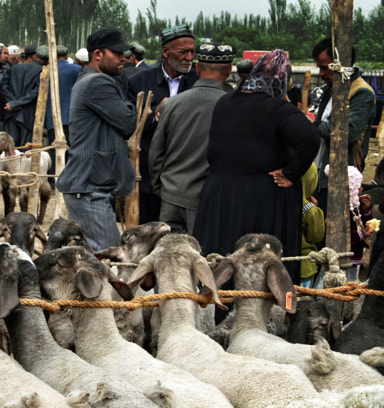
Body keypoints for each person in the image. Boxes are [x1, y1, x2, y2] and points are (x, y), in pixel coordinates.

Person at [193, 49, 319, 278]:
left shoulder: (225, 102)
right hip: (262, 200)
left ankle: (218, 308)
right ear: (282, 80)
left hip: (220, 193)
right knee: (257, 267)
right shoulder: (279, 110)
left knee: (222, 255)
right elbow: (310, 139)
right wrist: (291, 174)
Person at [55, 28, 136, 251]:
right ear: (98, 54)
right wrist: (131, 104)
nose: (123, 58)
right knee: (108, 255)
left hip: (90, 185)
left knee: (95, 257)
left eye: (124, 53)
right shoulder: (97, 83)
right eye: (117, 53)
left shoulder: (91, 79)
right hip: (89, 188)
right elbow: (128, 123)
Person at [148, 43, 235, 234]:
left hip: (171, 195)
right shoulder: (233, 107)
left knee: (171, 258)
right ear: (229, 71)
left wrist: (160, 189)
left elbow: (156, 153)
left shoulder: (172, 104)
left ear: (197, 68)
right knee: (203, 259)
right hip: (207, 201)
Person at [128, 23, 199, 223]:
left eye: (192, 52)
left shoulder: (198, 82)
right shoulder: (139, 82)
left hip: (187, 177)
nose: (189, 58)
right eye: (183, 52)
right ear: (166, 52)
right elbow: (128, 125)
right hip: (149, 177)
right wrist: (151, 115)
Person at [310, 38, 376, 207]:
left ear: (340, 65)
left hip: (339, 179)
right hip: (317, 173)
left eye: (324, 68)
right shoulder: (329, 89)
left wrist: (313, 124)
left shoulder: (361, 93)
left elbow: (347, 133)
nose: (321, 74)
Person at [1, 44, 42, 148]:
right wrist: (17, 103)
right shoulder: (41, 70)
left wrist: (13, 103)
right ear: (34, 56)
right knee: (25, 151)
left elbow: (4, 86)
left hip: (10, 114)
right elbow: (36, 91)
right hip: (27, 116)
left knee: (10, 149)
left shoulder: (13, 69)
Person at [42, 44, 83, 144]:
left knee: (55, 149)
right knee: (71, 149)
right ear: (67, 56)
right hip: (71, 118)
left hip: (52, 119)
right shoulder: (76, 69)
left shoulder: (46, 70)